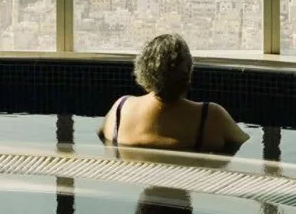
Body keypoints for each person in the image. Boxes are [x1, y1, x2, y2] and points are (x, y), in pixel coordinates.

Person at [98, 33, 250, 154]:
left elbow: (100, 135)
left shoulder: (120, 110)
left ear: (145, 70)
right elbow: (246, 144)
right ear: (188, 71)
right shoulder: (210, 117)